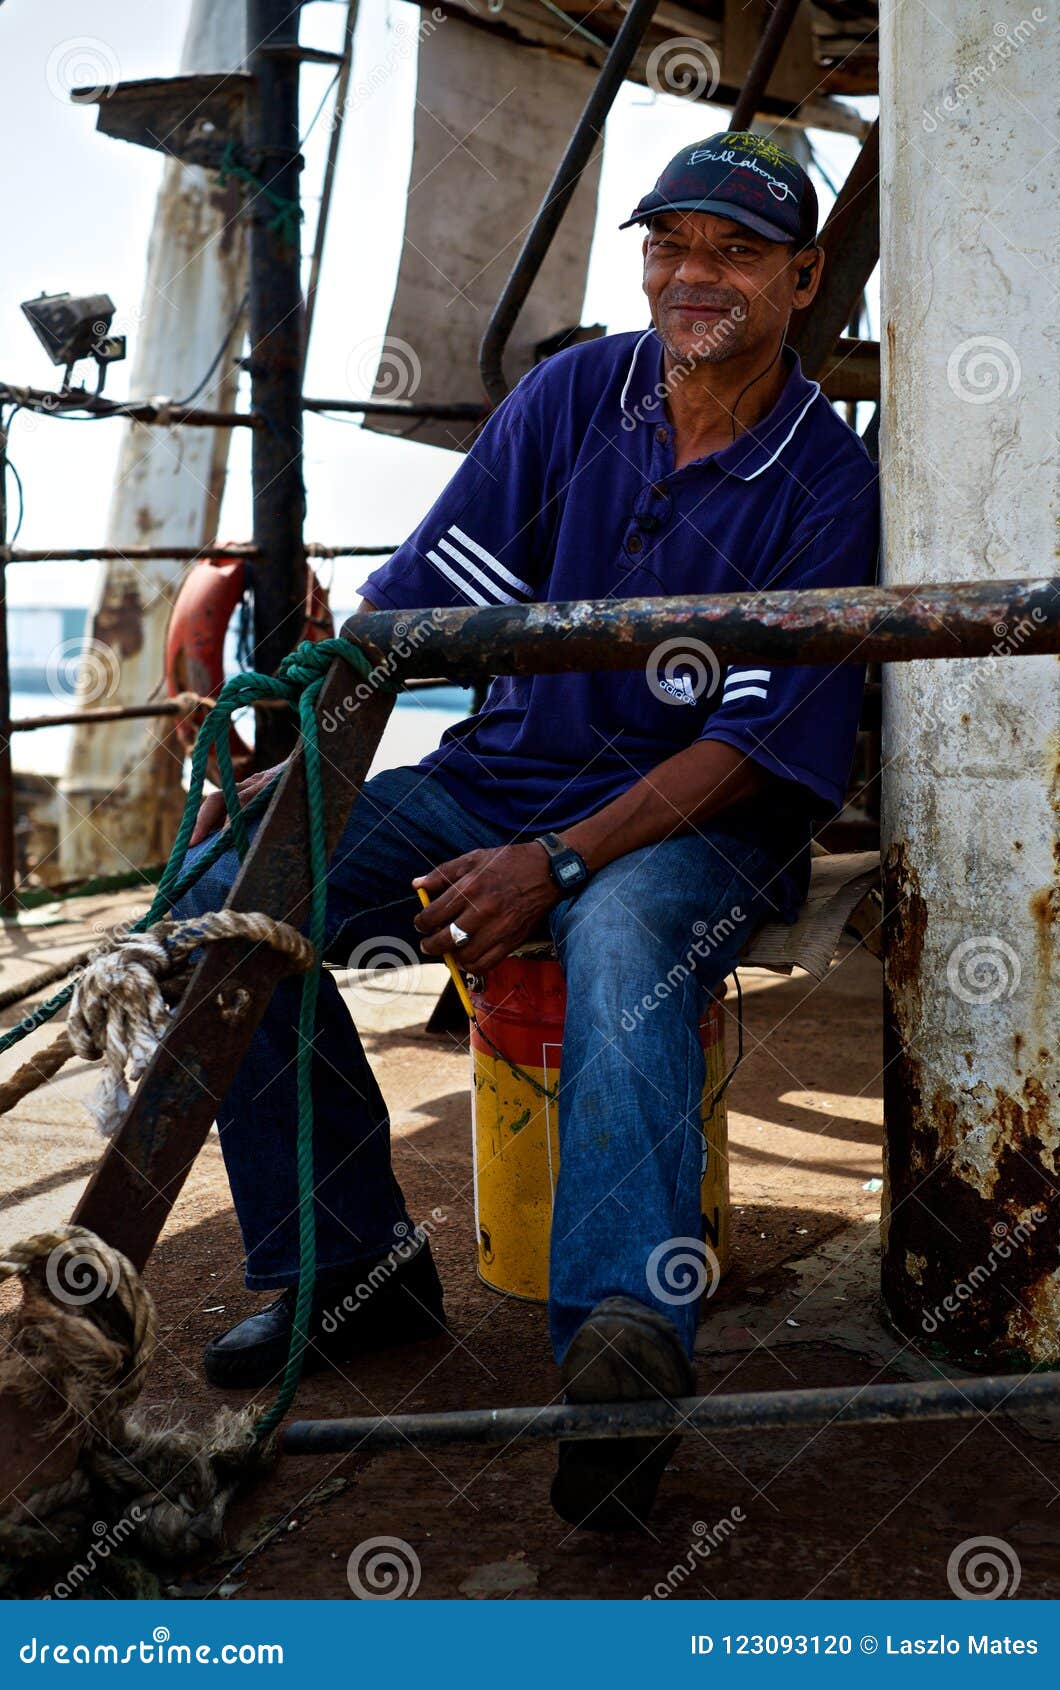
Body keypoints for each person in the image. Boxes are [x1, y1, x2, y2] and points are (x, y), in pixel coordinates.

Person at [180, 130, 879, 1531]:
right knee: (231, 902)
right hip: (501, 774)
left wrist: (559, 863)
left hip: (703, 813)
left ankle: (625, 1342)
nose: (695, 274)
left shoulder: (828, 481)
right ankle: (348, 1273)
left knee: (623, 934)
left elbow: (750, 747)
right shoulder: (574, 397)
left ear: (804, 280)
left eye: (736, 250)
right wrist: (306, 775)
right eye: (670, 241)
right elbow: (414, 611)